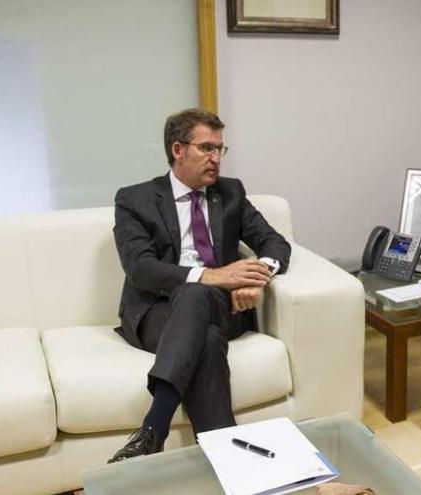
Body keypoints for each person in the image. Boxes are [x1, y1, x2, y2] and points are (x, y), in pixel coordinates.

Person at [108, 108, 291, 463]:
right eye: (207, 148)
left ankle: (152, 431)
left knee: (196, 299)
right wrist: (212, 275)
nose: (216, 158)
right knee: (205, 337)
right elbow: (140, 269)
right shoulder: (135, 200)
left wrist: (258, 275)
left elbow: (274, 242)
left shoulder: (231, 193)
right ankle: (233, 462)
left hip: (223, 307)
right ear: (178, 150)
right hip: (156, 313)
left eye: (220, 149)